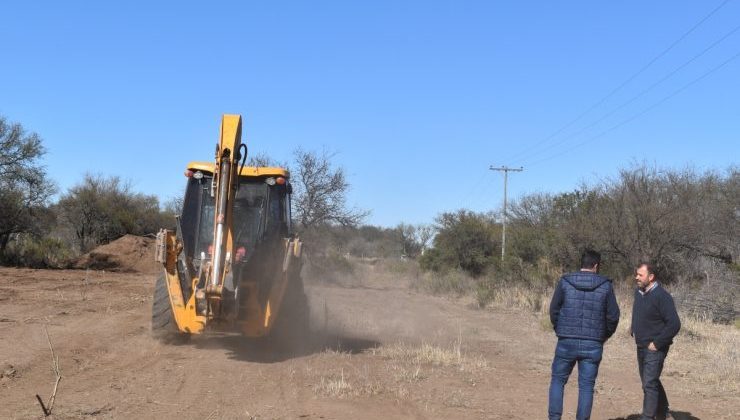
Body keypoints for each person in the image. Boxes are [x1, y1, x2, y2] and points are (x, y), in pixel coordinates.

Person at [548, 250, 620, 420]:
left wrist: (560, 329)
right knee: (586, 386)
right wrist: (605, 335)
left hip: (566, 341)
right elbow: (613, 316)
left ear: (582, 264)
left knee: (558, 381)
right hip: (593, 343)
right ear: (596, 265)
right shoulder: (605, 285)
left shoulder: (565, 281)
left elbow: (553, 309)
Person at [631, 262, 681, 420]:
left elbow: (674, 324)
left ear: (651, 277)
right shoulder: (639, 293)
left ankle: (647, 416)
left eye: (640, 275)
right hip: (641, 345)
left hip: (655, 348)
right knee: (650, 381)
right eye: (636, 274)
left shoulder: (662, 296)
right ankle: (664, 411)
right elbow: (640, 312)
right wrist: (633, 327)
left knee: (649, 383)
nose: (636, 277)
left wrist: (657, 343)